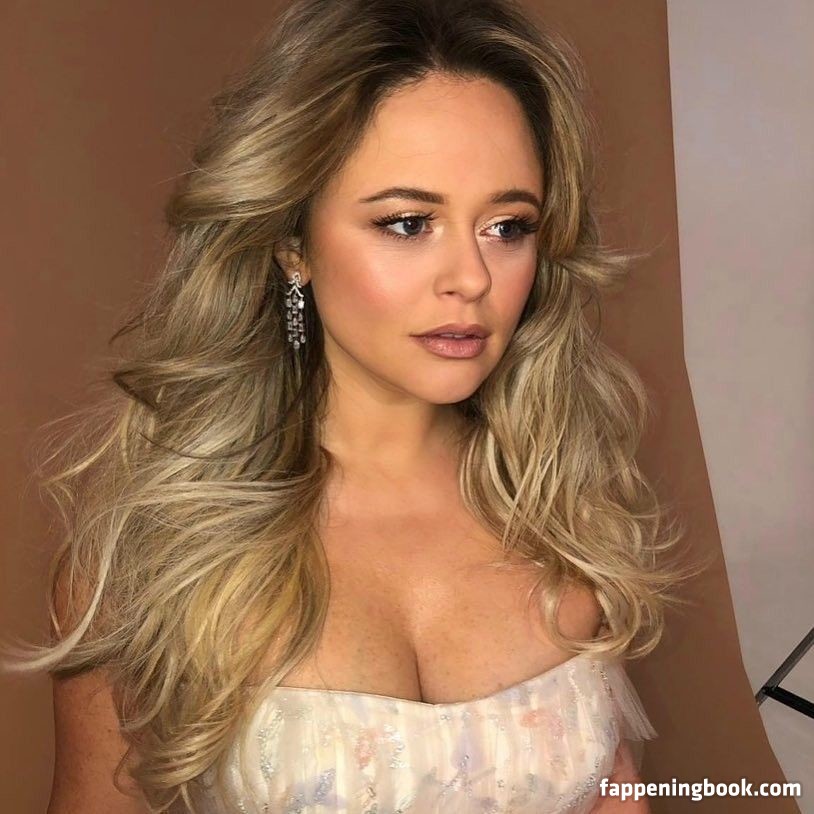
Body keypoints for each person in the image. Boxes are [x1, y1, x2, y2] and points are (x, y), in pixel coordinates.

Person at [1, 0, 701, 811]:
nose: (472, 278)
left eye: (508, 226)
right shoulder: (154, 550)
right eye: (408, 223)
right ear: (292, 243)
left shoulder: (566, 505)